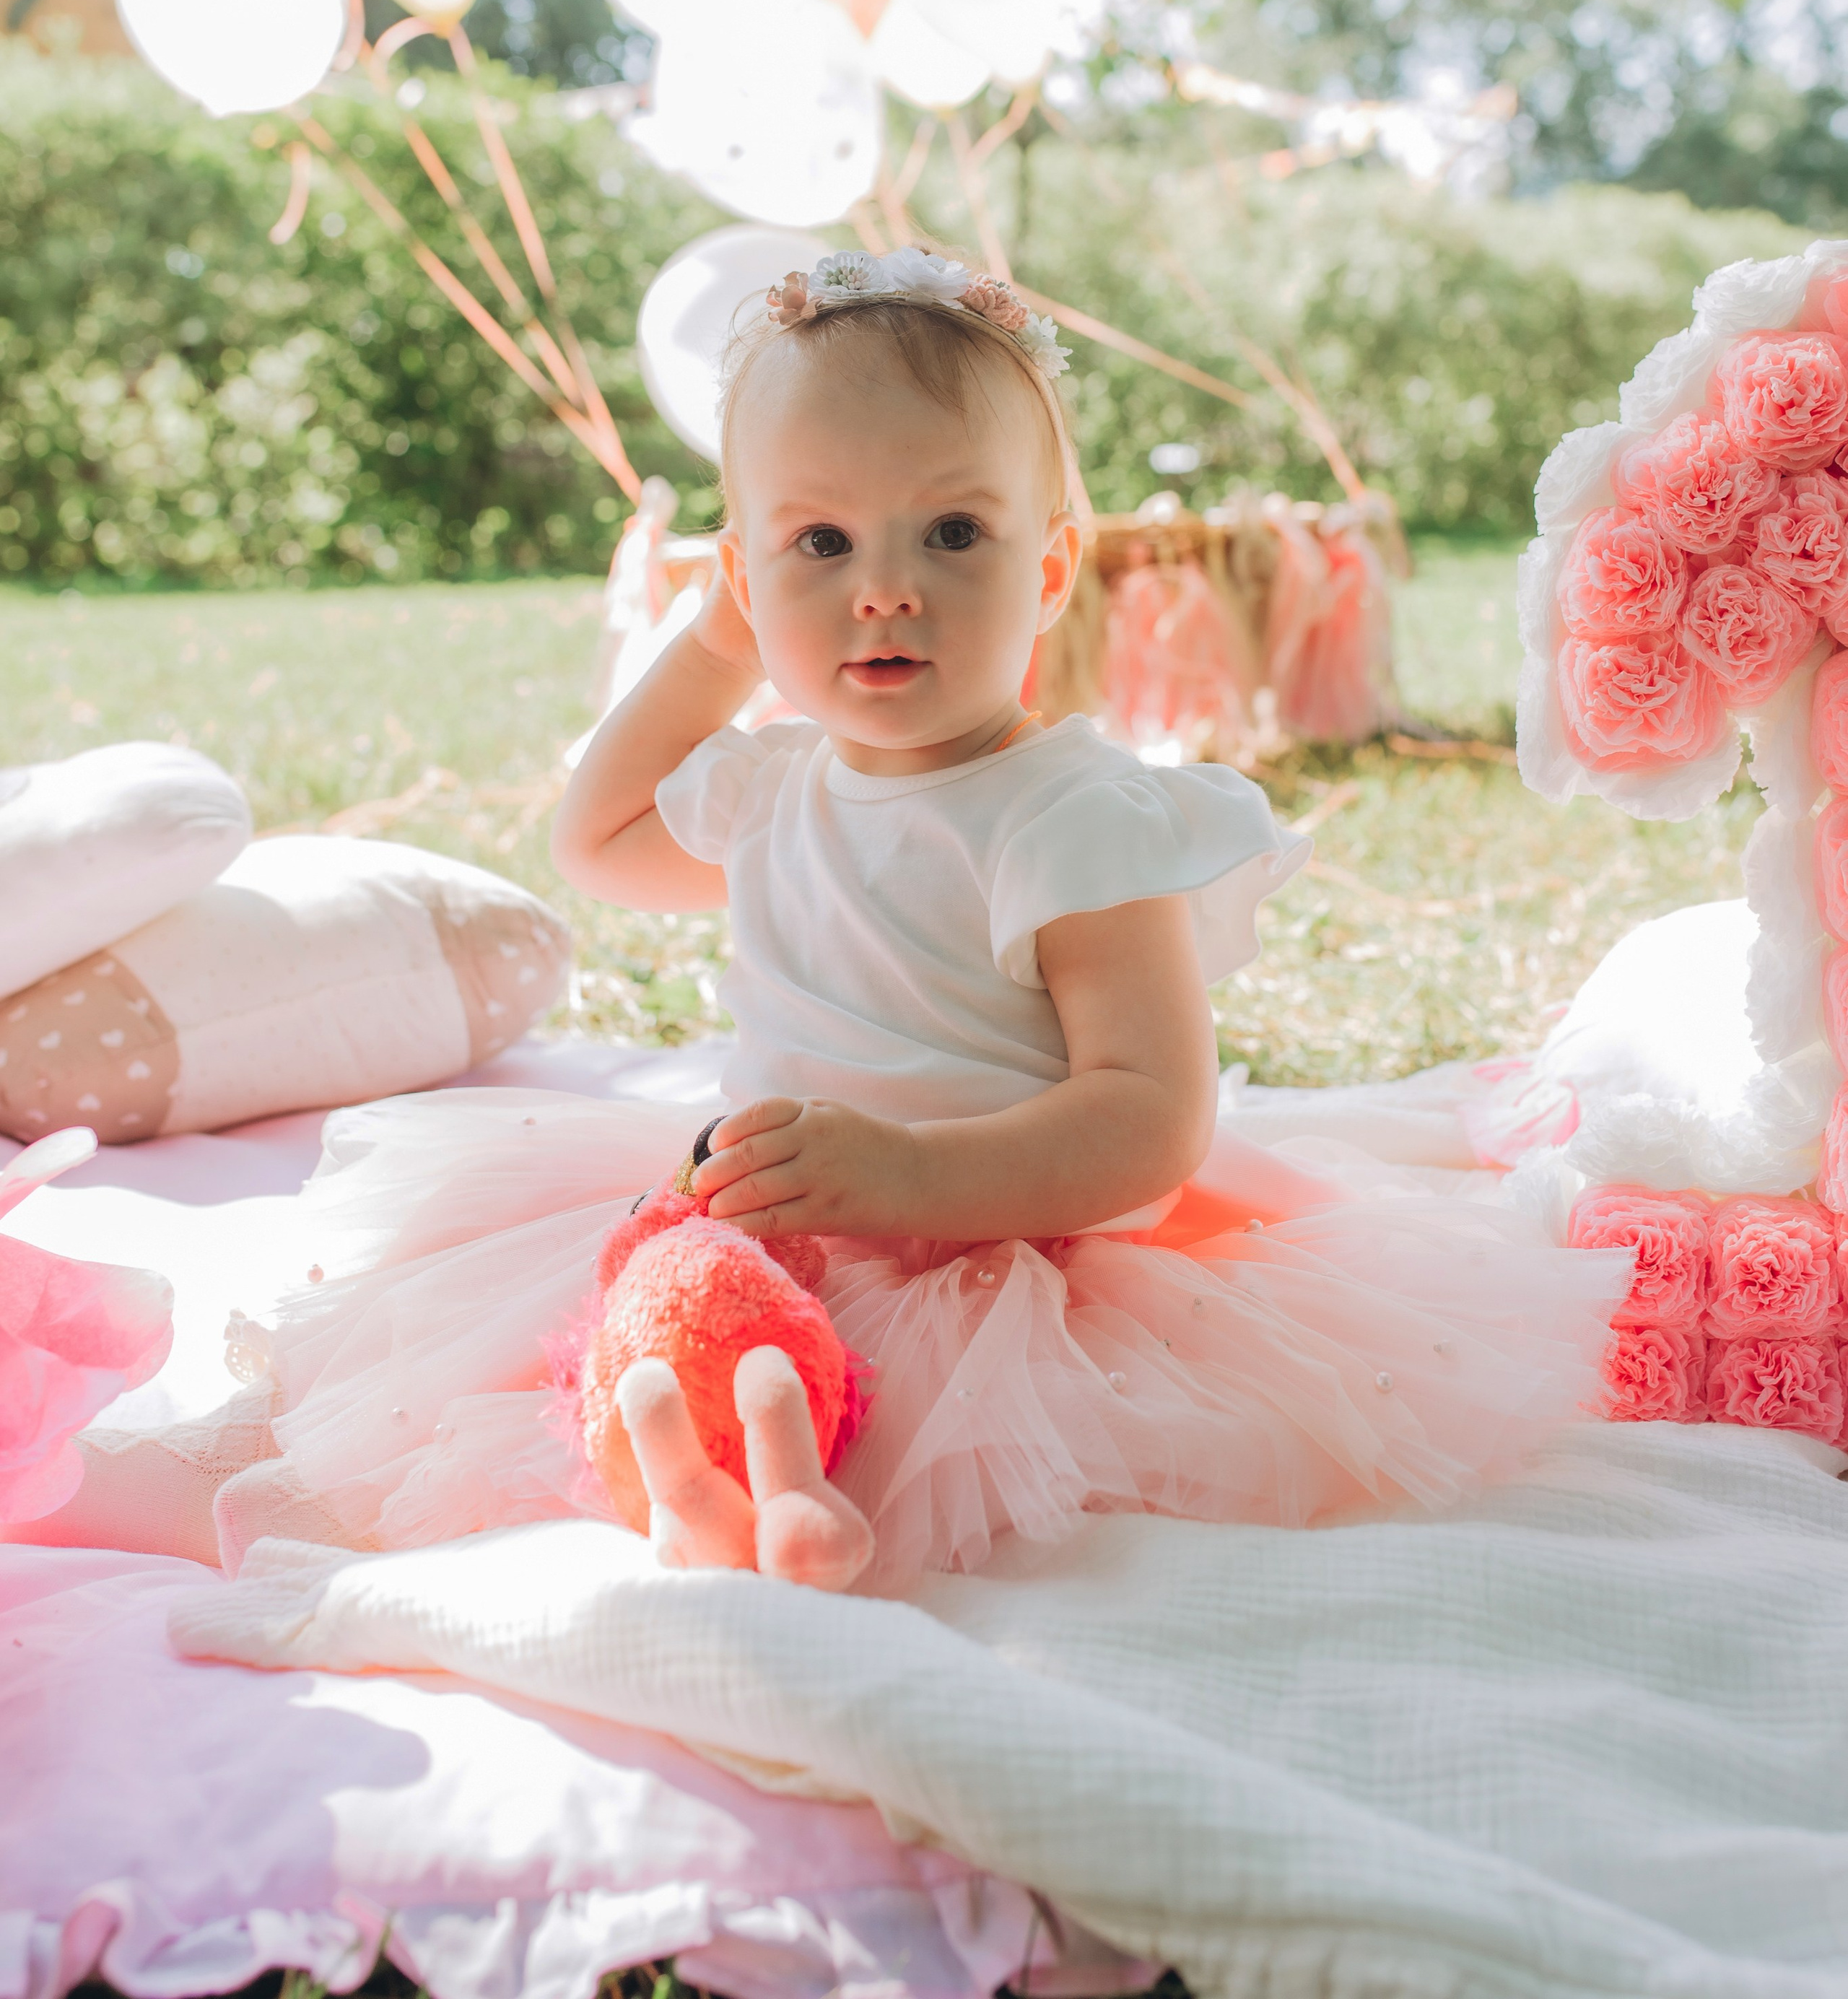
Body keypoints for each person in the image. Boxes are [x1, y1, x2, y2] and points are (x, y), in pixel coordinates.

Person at [24, 247, 1625, 1591]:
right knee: (548, 1350)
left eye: (953, 533)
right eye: (818, 544)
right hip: (778, 1220)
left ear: (1052, 567)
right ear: (748, 572)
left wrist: (912, 1177)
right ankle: (607, 1485)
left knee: (896, 1428)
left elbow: (1151, 1118)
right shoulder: (779, 787)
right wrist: (720, 644)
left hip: (999, 1250)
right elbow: (595, 839)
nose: (884, 589)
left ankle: (777, 1518)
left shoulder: (1068, 817)